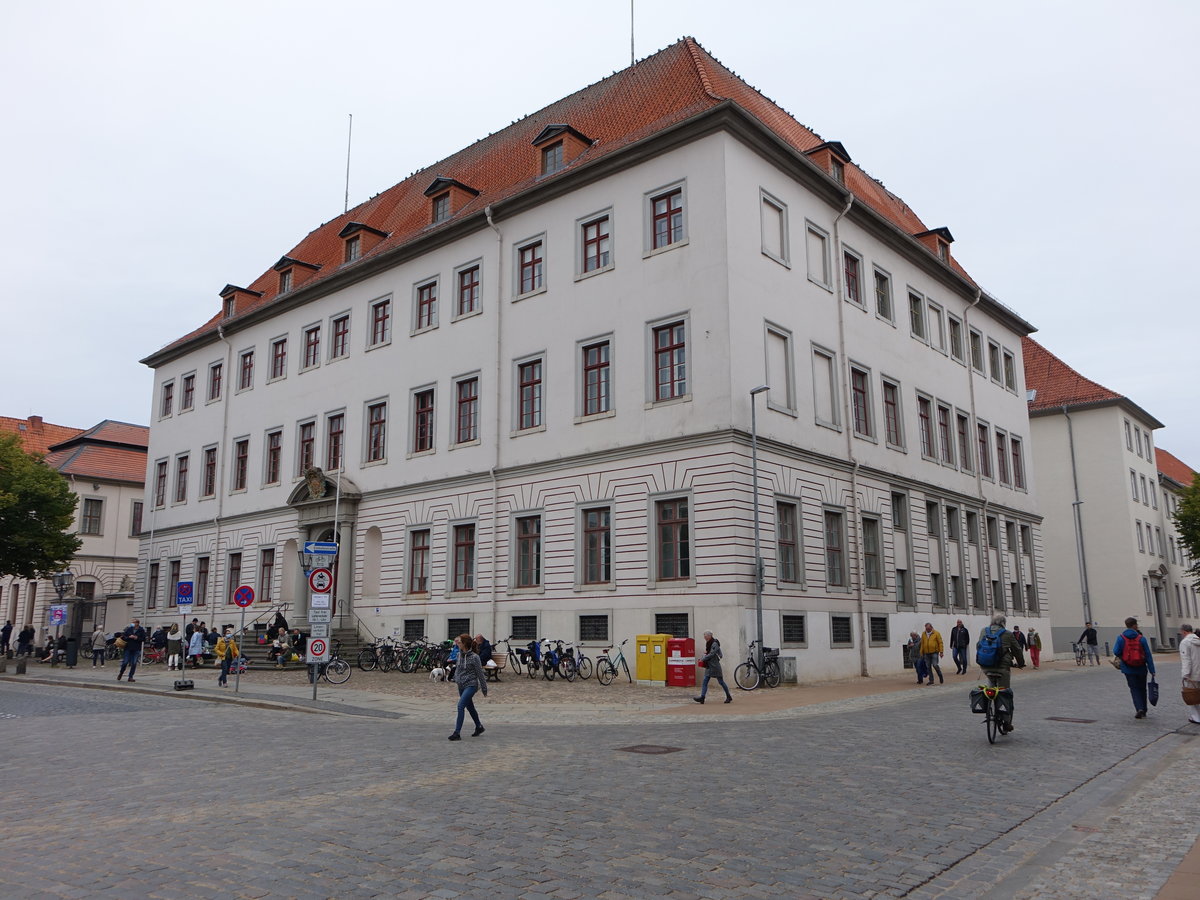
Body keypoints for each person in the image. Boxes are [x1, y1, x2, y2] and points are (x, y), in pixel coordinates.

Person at [977, 613, 1025, 732]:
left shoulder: (984, 631)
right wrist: (1020, 663)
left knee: (991, 687)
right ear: (1003, 623)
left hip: (986, 667)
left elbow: (978, 646)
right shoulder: (1007, 634)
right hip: (1002, 668)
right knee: (1005, 693)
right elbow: (1017, 650)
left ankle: (989, 705)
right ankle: (1006, 722)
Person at [1113, 617, 1156, 719]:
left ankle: (1139, 708)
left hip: (1128, 668)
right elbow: (1148, 655)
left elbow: (1116, 651)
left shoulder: (1121, 638)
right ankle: (1144, 709)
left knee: (1134, 688)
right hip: (1141, 668)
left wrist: (1124, 656)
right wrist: (1152, 670)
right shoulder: (1141, 638)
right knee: (1142, 688)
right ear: (1135, 625)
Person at [448, 633, 487, 741]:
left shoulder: (475, 657)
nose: (457, 643)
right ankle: (479, 726)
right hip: (461, 685)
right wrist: (455, 679)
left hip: (471, 685)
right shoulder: (459, 655)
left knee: (460, 706)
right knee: (470, 707)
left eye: (459, 642)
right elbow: (458, 670)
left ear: (465, 643)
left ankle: (457, 733)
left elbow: (480, 673)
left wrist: (484, 688)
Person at [693, 631, 733, 704]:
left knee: (721, 681)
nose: (704, 637)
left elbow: (712, 654)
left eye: (705, 636)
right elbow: (710, 653)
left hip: (715, 666)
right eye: (704, 636)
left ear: (710, 636)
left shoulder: (714, 643)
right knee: (705, 681)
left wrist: (703, 659)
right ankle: (702, 697)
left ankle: (728, 696)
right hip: (709, 665)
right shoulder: (709, 643)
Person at [1179, 624, 1200, 725]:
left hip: (1193, 674)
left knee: (1192, 696)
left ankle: (1196, 717)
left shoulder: (1185, 642)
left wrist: (1185, 674)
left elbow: (1186, 660)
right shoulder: (1198, 640)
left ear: (1184, 631)